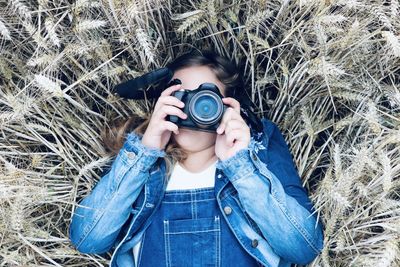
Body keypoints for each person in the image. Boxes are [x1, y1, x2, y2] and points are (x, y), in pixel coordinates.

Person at [69, 49, 324, 267]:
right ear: (162, 103)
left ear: (230, 109)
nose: (192, 110)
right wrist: (145, 152)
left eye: (206, 100)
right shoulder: (141, 163)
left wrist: (240, 165)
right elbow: (87, 239)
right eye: (181, 97)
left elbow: (303, 247)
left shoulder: (259, 147)